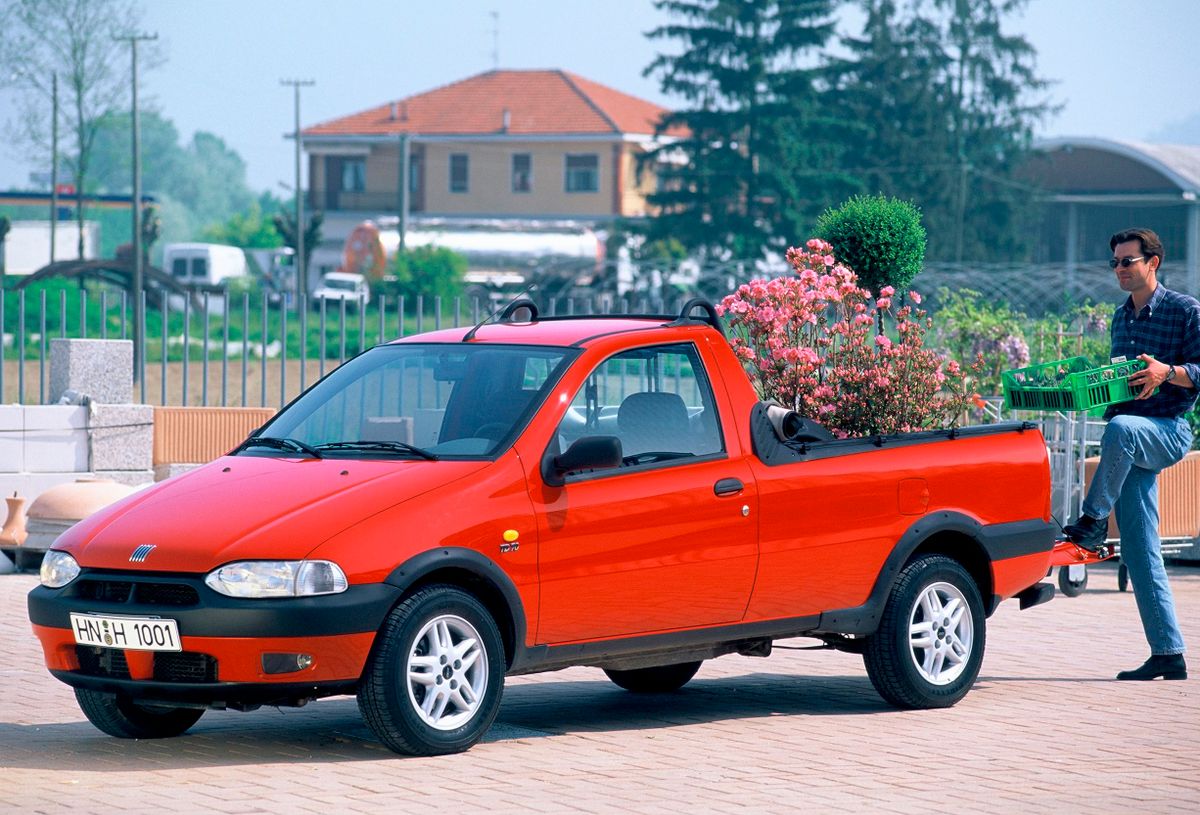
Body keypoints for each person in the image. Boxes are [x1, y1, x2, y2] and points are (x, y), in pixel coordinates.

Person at [1063, 227, 1199, 681]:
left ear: (1152, 262)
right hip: (1132, 435)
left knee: (1122, 429)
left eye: (1128, 261)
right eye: (1115, 263)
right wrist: (1092, 391)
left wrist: (1169, 371)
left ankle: (1091, 521)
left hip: (1169, 432)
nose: (1120, 269)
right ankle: (1168, 653)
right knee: (1140, 551)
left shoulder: (1185, 311)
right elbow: (1124, 388)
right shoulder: (1122, 319)